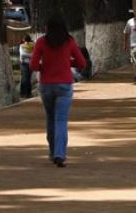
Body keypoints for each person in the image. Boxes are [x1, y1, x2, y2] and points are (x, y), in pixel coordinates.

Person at [29, 15, 86, 167]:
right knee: (61, 120)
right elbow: (82, 62)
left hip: (46, 85)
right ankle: (60, 154)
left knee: (50, 119)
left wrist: (45, 66)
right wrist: (67, 62)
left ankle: (52, 151)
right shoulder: (69, 41)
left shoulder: (41, 42)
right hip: (64, 85)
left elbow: (33, 65)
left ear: (47, 28)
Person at [19, 34, 35, 99]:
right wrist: (30, 55)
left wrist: (27, 55)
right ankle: (24, 93)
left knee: (27, 78)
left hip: (27, 63)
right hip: (26, 63)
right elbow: (23, 54)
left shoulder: (31, 45)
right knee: (25, 78)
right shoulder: (22, 46)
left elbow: (23, 55)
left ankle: (26, 93)